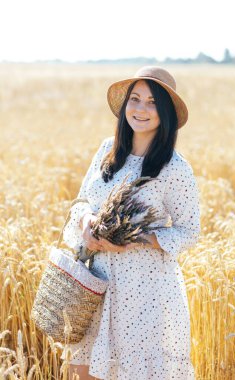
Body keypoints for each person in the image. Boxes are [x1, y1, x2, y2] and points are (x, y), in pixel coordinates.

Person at [60, 66, 201, 380]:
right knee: (81, 373)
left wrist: (136, 239)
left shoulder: (174, 167)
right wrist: (86, 224)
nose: (141, 109)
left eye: (152, 102)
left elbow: (189, 231)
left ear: (166, 113)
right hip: (94, 287)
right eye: (135, 99)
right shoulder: (105, 152)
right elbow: (81, 202)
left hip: (144, 294)